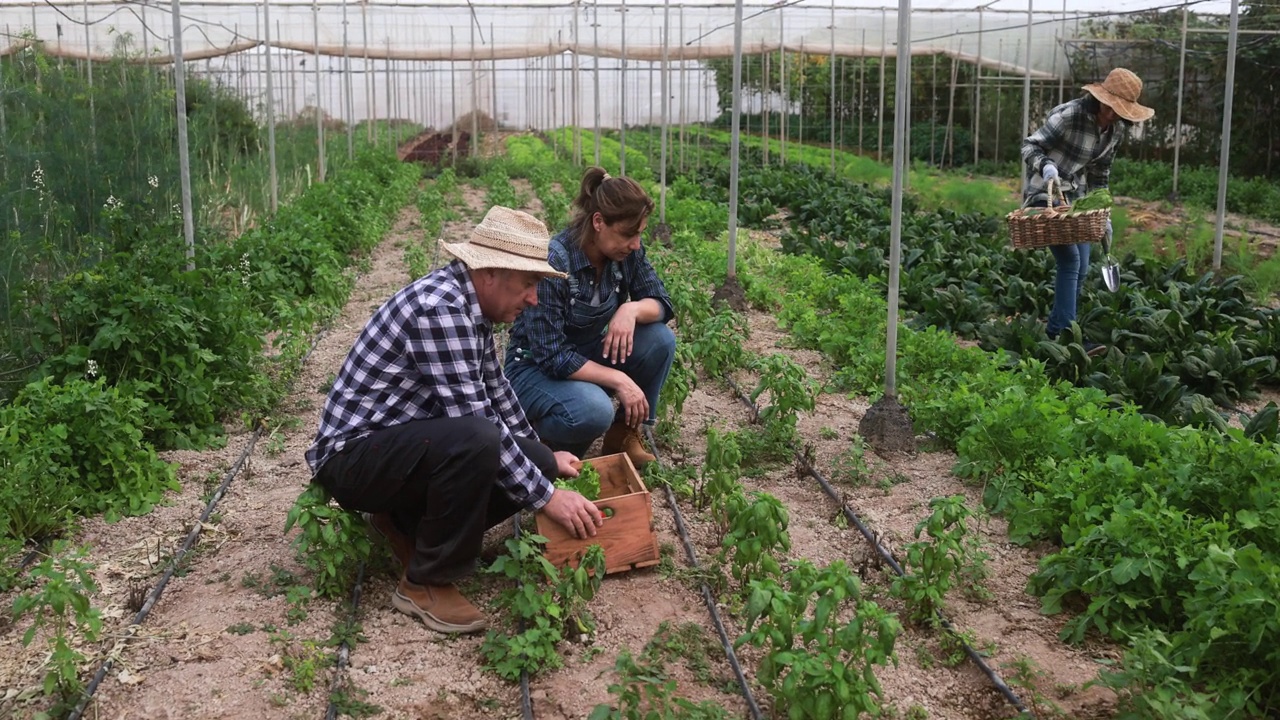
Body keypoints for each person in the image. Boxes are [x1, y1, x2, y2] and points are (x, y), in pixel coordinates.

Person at [304, 206, 604, 635]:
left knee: (530, 457)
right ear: (490, 274)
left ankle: (405, 525)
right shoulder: (440, 310)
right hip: (353, 459)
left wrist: (542, 455)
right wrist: (547, 498)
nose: (534, 298)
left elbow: (497, 391)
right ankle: (424, 581)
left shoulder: (470, 307)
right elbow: (475, 418)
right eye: (529, 284)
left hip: (394, 447)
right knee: (479, 439)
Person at [504, 167, 676, 468]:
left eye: (639, 234)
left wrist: (630, 309)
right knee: (594, 410)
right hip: (534, 368)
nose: (635, 243)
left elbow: (662, 303)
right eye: (628, 234)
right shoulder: (556, 261)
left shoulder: (626, 252)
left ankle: (622, 436)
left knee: (659, 339)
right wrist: (619, 379)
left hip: (587, 355)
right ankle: (540, 443)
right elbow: (552, 356)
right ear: (599, 222)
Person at [1021, 67, 1154, 352]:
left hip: (1076, 200)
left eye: (1119, 111)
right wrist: (1045, 166)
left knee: (1082, 265)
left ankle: (1058, 328)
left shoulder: (1114, 131)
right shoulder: (1070, 115)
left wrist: (1103, 213)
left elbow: (1099, 174)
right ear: (1099, 99)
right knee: (1070, 261)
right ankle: (1067, 337)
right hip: (1045, 195)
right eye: (1110, 107)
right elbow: (1030, 147)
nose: (1112, 114)